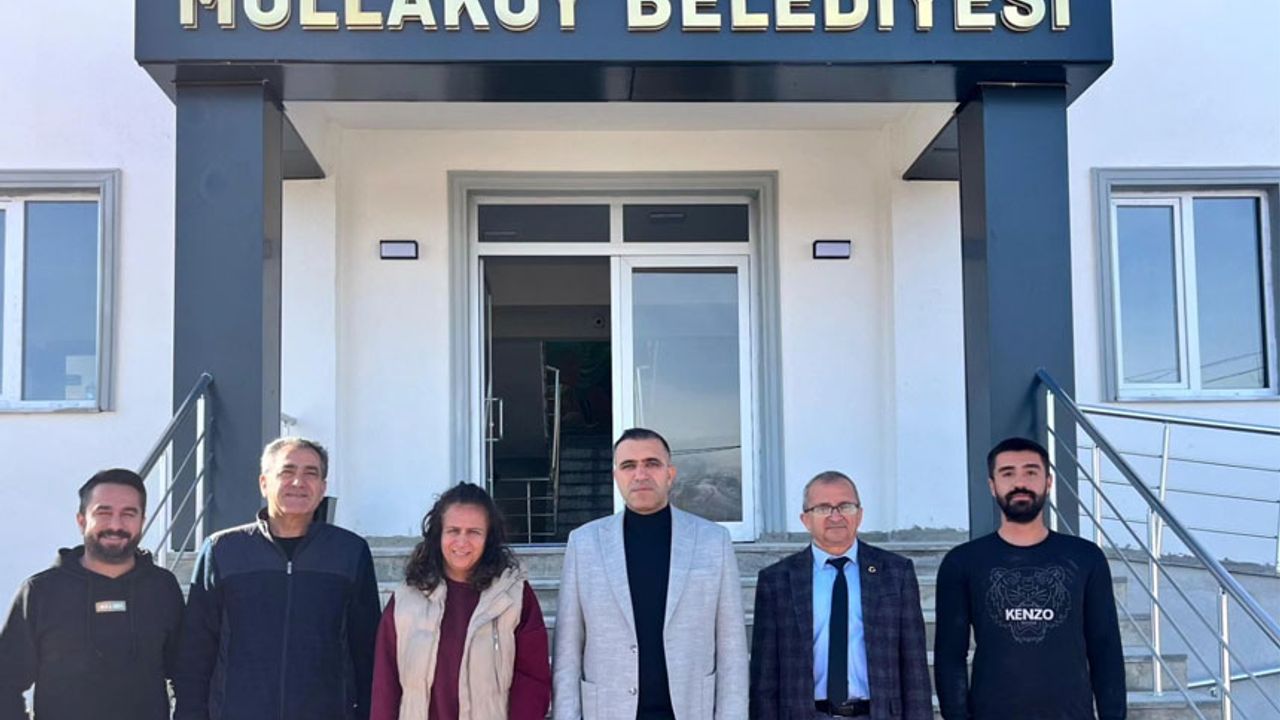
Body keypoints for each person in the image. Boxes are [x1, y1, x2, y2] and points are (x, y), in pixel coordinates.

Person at [174, 437, 382, 720]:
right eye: (287, 471)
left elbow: (367, 651)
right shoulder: (223, 550)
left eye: (311, 473)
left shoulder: (349, 552)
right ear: (264, 483)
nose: (298, 482)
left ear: (322, 488)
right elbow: (196, 651)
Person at [553, 427, 748, 720]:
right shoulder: (584, 544)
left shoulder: (713, 541)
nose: (640, 474)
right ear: (616, 476)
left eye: (652, 463)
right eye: (628, 465)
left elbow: (732, 650)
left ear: (670, 474)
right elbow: (567, 652)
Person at [934, 437, 1126, 720]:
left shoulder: (1086, 558)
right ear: (992, 485)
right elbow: (950, 656)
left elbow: (1106, 650)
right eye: (1007, 473)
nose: (1020, 483)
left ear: (1048, 482)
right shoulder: (962, 562)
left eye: (1031, 472)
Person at [0, 468, 184, 720]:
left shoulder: (162, 588)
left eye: (128, 513)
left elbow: (188, 673)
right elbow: (6, 680)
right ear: (81, 520)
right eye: (103, 512)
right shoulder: (41, 592)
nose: (116, 525)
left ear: (142, 521)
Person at [749, 471, 931, 720]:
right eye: (823, 508)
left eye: (845, 506)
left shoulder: (895, 572)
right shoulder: (777, 580)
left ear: (860, 514)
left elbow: (914, 666)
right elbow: (764, 676)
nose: (836, 516)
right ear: (805, 519)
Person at [370, 482, 551, 720]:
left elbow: (532, 679)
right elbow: (386, 684)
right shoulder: (406, 600)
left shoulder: (513, 597)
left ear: (489, 537)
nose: (462, 541)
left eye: (474, 532)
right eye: (453, 530)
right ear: (439, 534)